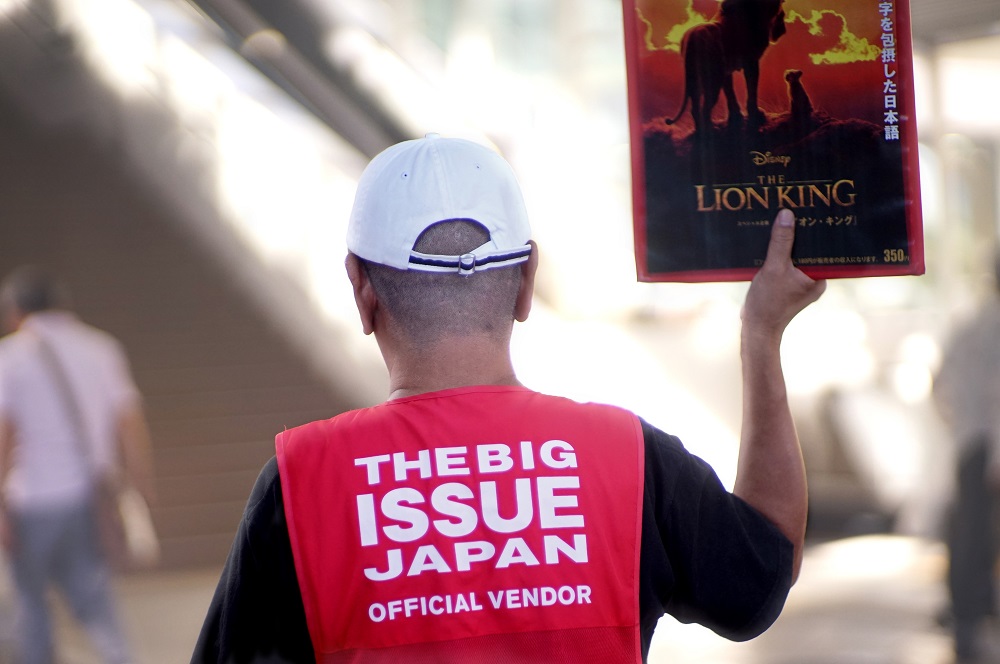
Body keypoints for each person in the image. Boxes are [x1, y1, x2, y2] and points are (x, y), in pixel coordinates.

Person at [193, 134, 825, 663]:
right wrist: (761, 334)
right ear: (527, 282)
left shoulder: (303, 485)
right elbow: (758, 577)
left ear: (361, 289)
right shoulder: (628, 460)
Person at [0, 266, 155, 664]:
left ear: (15, 310)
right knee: (97, 607)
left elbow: (4, 434)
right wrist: (139, 484)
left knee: (32, 613)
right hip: (87, 498)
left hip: (30, 500)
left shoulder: (11, 357)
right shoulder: (101, 348)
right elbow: (130, 421)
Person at [933, 254, 1000, 662]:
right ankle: (968, 619)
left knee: (969, 534)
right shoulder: (990, 325)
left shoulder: (971, 323)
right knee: (976, 537)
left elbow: (939, 385)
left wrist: (956, 432)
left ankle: (968, 615)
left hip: (969, 444)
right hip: (988, 448)